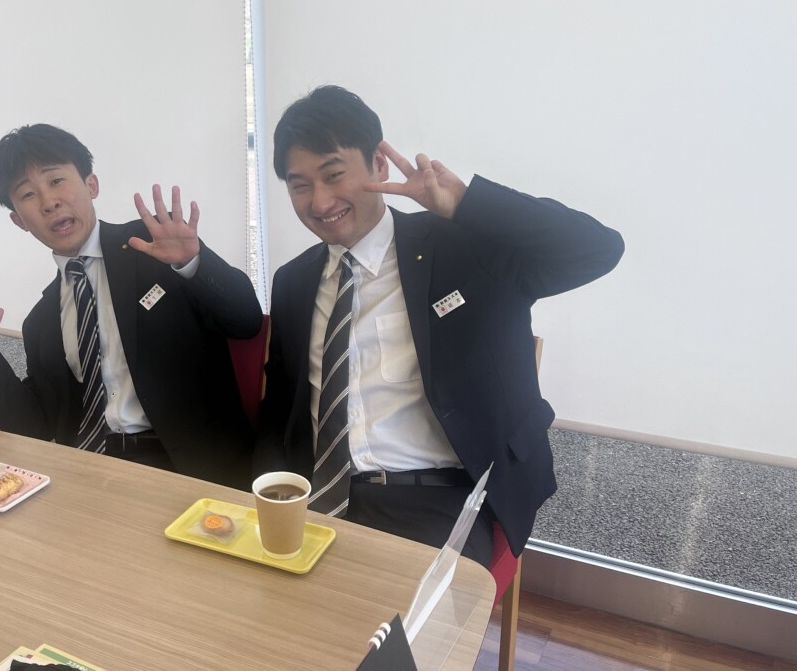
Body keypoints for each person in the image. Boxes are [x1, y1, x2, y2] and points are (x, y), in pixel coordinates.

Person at [253, 86, 624, 564]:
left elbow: (599, 250)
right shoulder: (294, 281)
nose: (320, 201)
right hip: (314, 498)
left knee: (392, 617)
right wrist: (256, 495)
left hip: (435, 501)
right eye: (300, 185)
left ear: (378, 164)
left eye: (334, 175)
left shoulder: (464, 250)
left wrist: (467, 204)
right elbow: (279, 408)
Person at [0, 123, 263, 488]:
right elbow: (35, 426)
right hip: (86, 471)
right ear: (18, 221)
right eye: (28, 194)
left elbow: (246, 321)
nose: (49, 202)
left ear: (91, 185)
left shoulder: (155, 248)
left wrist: (193, 262)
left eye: (56, 181)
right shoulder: (41, 322)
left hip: (186, 468)